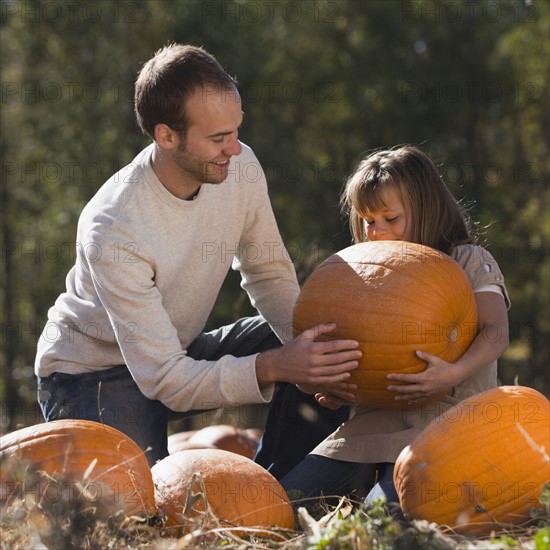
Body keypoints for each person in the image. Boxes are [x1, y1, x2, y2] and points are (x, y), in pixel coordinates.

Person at [35, 44, 360, 467]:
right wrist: (278, 366)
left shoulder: (239, 168)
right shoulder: (114, 228)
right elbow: (166, 380)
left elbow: (268, 274)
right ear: (166, 136)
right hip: (91, 375)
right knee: (140, 514)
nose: (236, 148)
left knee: (318, 343)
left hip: (174, 353)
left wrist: (309, 358)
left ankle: (285, 493)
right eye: (219, 138)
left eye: (237, 130)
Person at [279, 145, 510, 509]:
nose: (377, 232)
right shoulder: (364, 278)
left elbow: (496, 332)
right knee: (285, 505)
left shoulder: (467, 259)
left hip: (446, 426)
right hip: (370, 429)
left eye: (390, 218)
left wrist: (452, 373)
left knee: (381, 519)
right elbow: (363, 354)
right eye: (369, 221)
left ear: (425, 209)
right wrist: (338, 388)